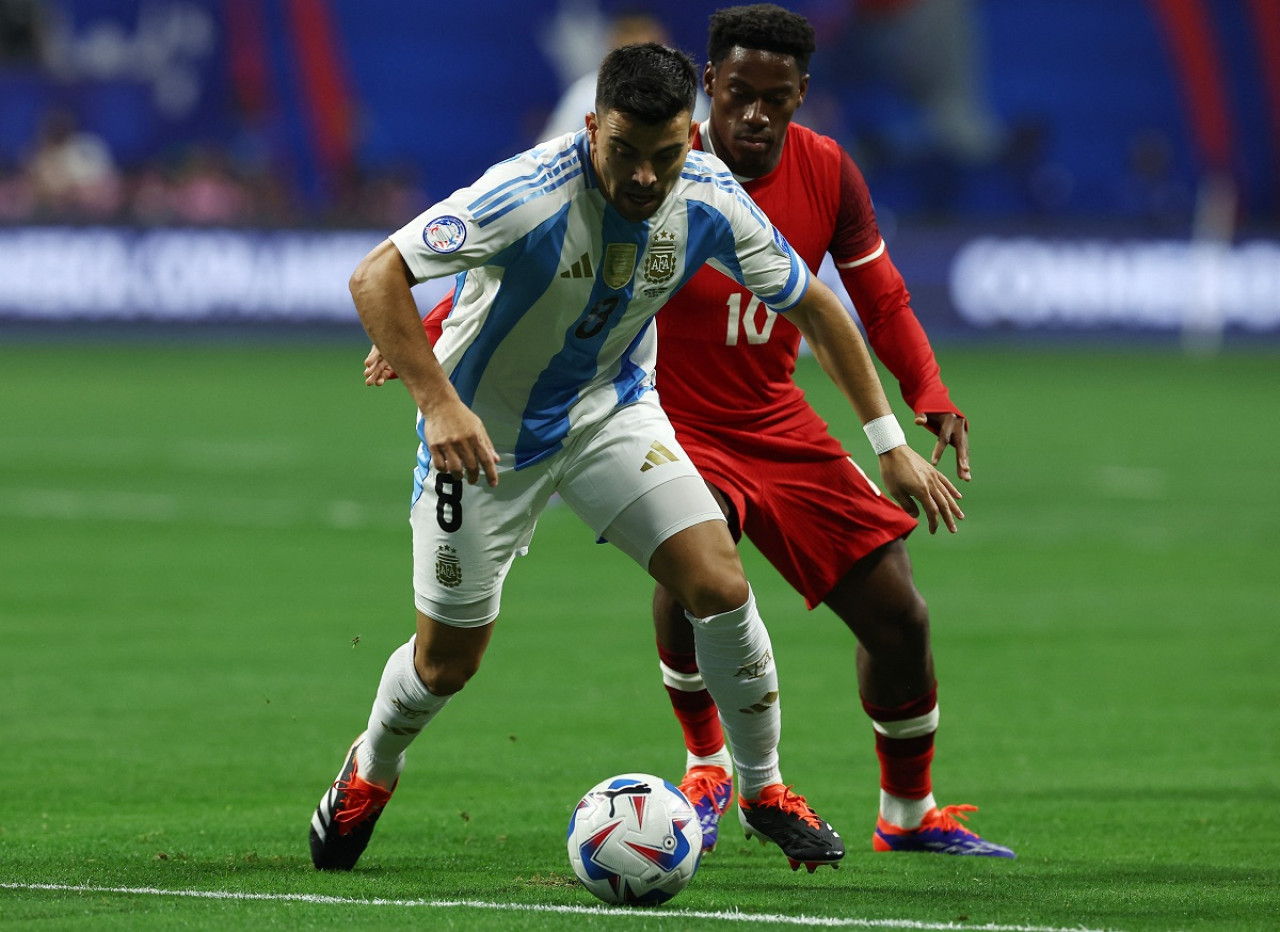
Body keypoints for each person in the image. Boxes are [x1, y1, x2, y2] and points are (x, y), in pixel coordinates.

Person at [312, 41, 963, 874]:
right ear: (592, 129)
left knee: (719, 585)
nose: (647, 177)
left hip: (610, 413)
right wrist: (436, 399)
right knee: (447, 662)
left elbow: (816, 307)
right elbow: (376, 277)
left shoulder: (709, 194)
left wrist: (887, 443)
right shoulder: (526, 194)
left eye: (666, 154)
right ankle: (371, 769)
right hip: (487, 441)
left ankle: (761, 789)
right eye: (626, 152)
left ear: (690, 137)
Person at [643, 4, 1015, 858]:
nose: (756, 115)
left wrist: (927, 391)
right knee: (701, 555)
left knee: (899, 614)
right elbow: (551, 249)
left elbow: (877, 296)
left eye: (777, 98)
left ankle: (908, 814)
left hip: (773, 415)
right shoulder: (659, 163)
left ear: (803, 93)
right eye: (739, 93)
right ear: (710, 85)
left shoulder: (828, 172)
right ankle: (706, 766)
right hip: (666, 414)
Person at [538, 7, 707, 141]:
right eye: (629, 33)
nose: (637, 43)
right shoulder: (585, 95)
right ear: (611, 41)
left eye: (643, 33)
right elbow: (549, 154)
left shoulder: (689, 97)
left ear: (663, 40)